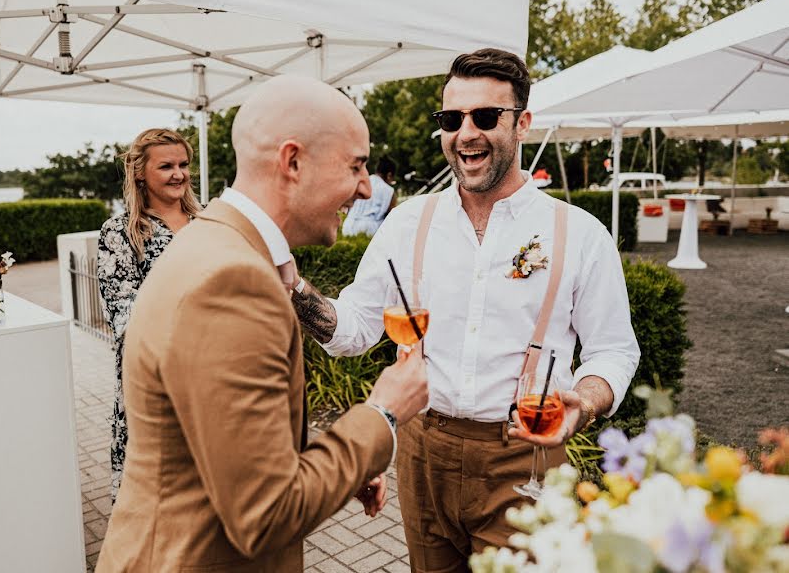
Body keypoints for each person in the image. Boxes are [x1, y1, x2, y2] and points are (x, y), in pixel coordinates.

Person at [287, 48, 640, 572]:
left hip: (527, 460)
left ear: (522, 123)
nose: (465, 133)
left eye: (485, 116)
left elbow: (613, 349)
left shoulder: (580, 233)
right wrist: (292, 286)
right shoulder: (409, 224)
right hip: (422, 452)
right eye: (452, 119)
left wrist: (584, 403)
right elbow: (355, 328)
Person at [95, 76, 429, 572]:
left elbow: (229, 437)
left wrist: (333, 465)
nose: (365, 187)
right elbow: (265, 514)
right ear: (292, 162)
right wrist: (381, 414)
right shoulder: (234, 281)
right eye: (355, 165)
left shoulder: (212, 240)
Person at [96, 128, 201, 501]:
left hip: (212, 374)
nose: (179, 174)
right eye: (167, 166)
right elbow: (124, 315)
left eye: (184, 164)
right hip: (155, 380)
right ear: (140, 172)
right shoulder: (120, 233)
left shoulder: (209, 223)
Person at [342, 155, 398, 236]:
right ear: (389, 175)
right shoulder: (388, 190)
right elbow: (391, 217)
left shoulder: (361, 182)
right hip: (369, 230)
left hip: (348, 226)